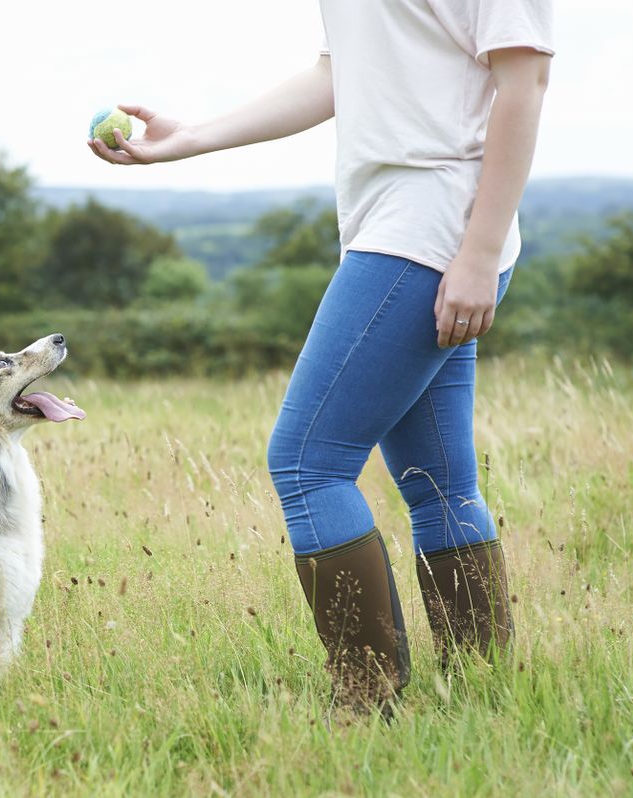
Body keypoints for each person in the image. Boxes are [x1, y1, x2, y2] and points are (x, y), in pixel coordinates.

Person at [90, 0, 553, 711]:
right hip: (398, 219)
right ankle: (485, 695)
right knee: (440, 482)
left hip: (433, 225)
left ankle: (365, 706)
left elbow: (525, 81)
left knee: (307, 462)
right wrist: (194, 138)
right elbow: (339, 72)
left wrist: (481, 252)